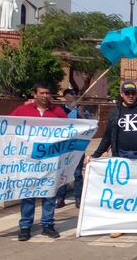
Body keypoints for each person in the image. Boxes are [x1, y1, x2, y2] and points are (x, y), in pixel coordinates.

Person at [87, 80, 137, 239]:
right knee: (121, 192)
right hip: (120, 156)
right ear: (121, 94)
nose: (130, 96)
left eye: (133, 93)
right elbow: (107, 136)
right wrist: (95, 155)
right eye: (127, 93)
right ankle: (121, 224)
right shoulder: (115, 112)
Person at [10, 82, 67, 242]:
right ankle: (25, 227)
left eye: (48, 93)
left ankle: (47, 225)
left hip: (50, 161)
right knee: (28, 194)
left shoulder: (57, 112)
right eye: (42, 93)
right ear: (34, 94)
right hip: (29, 161)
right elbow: (8, 126)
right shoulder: (22, 111)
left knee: (49, 193)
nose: (45, 96)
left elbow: (70, 129)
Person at [55, 88, 91, 209]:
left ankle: (78, 198)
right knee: (63, 172)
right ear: (65, 96)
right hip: (64, 145)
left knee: (77, 173)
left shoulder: (80, 109)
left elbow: (88, 124)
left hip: (78, 145)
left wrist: (79, 112)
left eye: (74, 94)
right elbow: (58, 122)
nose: (73, 96)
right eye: (70, 94)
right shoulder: (60, 110)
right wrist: (68, 110)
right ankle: (60, 198)